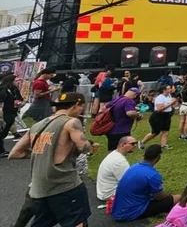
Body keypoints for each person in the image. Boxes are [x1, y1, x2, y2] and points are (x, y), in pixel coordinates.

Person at [9, 92, 96, 227]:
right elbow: (85, 148)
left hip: (41, 188)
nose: (81, 111)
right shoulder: (71, 122)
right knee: (77, 222)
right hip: (65, 185)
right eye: (81, 107)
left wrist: (41, 154)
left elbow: (14, 153)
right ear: (76, 105)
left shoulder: (37, 126)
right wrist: (91, 146)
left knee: (42, 223)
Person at [112, 144, 181, 222]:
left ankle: (159, 211)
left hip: (118, 211)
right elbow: (159, 197)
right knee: (178, 198)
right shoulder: (152, 175)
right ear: (158, 157)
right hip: (131, 213)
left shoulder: (134, 167)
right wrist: (169, 195)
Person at [97, 136, 137, 204]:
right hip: (109, 194)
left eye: (135, 143)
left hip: (104, 191)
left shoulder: (114, 154)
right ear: (122, 145)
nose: (135, 146)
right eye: (132, 144)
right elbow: (128, 183)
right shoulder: (119, 162)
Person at [140, 85, 178, 150]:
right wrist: (171, 104)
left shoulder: (169, 96)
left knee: (165, 131)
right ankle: (142, 142)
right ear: (164, 90)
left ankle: (164, 145)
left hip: (167, 115)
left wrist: (173, 102)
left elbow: (172, 102)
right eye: (168, 89)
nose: (170, 90)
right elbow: (160, 109)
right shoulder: (159, 98)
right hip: (158, 116)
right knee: (155, 132)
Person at [0, 73, 24, 158]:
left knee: (4, 132)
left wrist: (20, 103)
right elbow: (1, 104)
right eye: (16, 80)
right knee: (2, 132)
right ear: (11, 81)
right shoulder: (3, 91)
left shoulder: (14, 89)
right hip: (4, 113)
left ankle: (1, 150)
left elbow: (20, 99)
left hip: (12, 112)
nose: (18, 82)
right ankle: (1, 151)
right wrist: (1, 117)